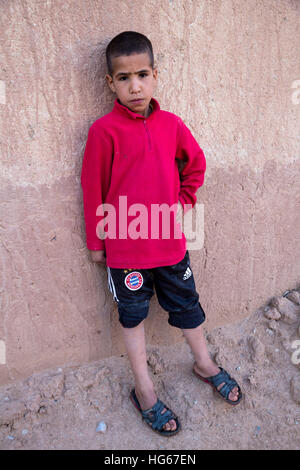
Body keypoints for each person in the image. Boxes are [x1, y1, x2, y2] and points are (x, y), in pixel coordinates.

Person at [81, 31, 242, 436]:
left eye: (142, 74)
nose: (134, 86)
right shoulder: (104, 131)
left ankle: (204, 362)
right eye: (123, 78)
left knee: (186, 304)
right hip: (125, 252)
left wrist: (181, 201)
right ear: (110, 83)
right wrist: (97, 242)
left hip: (169, 245)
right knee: (132, 316)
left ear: (155, 75)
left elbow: (196, 164)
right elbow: (92, 188)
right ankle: (144, 387)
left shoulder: (171, 125)